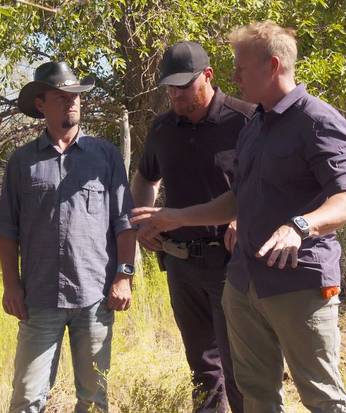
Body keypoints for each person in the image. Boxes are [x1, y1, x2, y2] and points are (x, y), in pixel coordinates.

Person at [133, 21, 346, 413]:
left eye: (242, 67)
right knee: (254, 392)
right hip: (243, 281)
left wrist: (300, 225)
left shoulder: (317, 120)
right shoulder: (257, 125)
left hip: (298, 280)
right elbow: (237, 199)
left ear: (272, 66)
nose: (234, 75)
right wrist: (175, 217)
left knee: (321, 396)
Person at [0, 61, 137, 413]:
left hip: (95, 297)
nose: (72, 103)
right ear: (41, 104)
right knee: (27, 398)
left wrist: (124, 276)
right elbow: (6, 230)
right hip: (39, 299)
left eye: (76, 96)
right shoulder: (22, 162)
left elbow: (125, 221)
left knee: (93, 400)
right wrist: (11, 285)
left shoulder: (105, 156)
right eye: (61, 97)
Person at [131, 40, 254, 413]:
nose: (176, 95)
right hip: (181, 264)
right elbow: (145, 177)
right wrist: (145, 221)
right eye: (170, 87)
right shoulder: (163, 128)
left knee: (241, 367)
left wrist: (241, 218)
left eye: (185, 86)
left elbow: (269, 186)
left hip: (231, 263)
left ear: (209, 76)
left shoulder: (246, 120)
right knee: (202, 366)